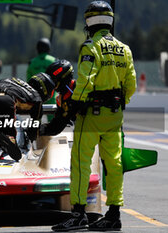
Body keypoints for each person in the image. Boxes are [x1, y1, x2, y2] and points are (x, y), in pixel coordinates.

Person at [51, 1, 136, 232]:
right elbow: (131, 85)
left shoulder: (90, 47)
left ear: (89, 22)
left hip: (91, 114)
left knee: (80, 163)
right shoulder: (124, 49)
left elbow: (87, 80)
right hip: (115, 116)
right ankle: (114, 215)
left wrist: (75, 105)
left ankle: (78, 214)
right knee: (114, 164)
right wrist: (119, 104)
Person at [38, 60, 76, 136]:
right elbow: (57, 125)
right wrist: (38, 130)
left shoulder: (80, 90)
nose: (52, 85)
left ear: (62, 79)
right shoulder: (60, 98)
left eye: (54, 82)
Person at [26, 38, 57, 107]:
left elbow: (28, 80)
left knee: (36, 117)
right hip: (51, 96)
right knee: (53, 116)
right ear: (48, 48)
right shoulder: (53, 60)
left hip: (36, 96)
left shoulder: (32, 62)